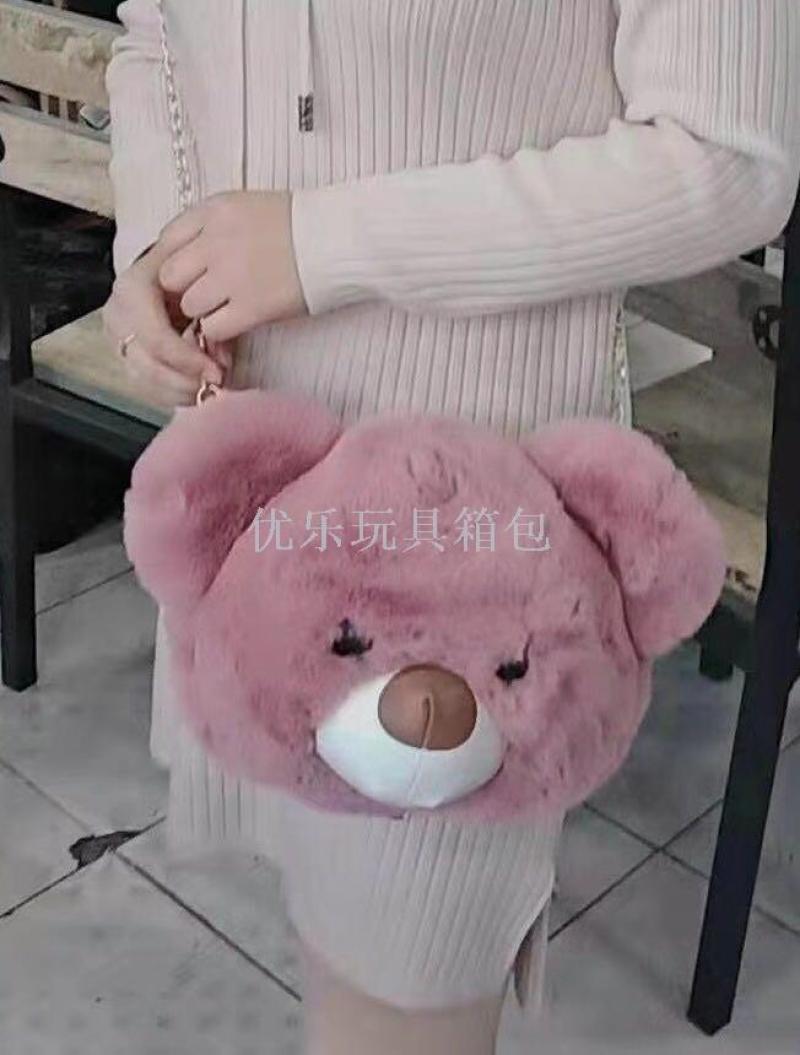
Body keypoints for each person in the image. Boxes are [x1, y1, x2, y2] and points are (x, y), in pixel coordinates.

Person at [103, 2, 800, 1052]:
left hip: (460, 546)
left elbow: (729, 156)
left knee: (405, 985)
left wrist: (322, 242)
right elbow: (155, 30)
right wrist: (158, 246)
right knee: (327, 921)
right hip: (254, 498)